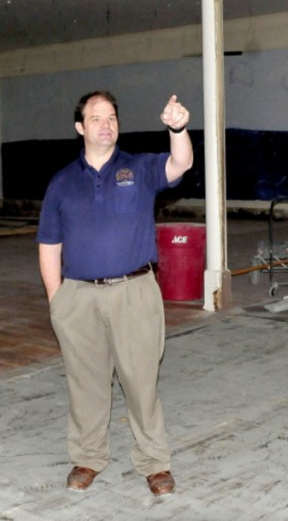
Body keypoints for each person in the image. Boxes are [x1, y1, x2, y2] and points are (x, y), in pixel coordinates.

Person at [36, 90, 193, 497]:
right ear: (80, 128)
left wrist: (177, 128)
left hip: (134, 292)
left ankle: (155, 464)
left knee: (141, 383)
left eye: (111, 118)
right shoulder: (62, 183)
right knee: (85, 384)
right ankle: (88, 458)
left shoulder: (139, 169)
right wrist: (58, 301)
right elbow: (49, 244)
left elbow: (181, 163)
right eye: (96, 118)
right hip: (79, 298)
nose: (106, 125)